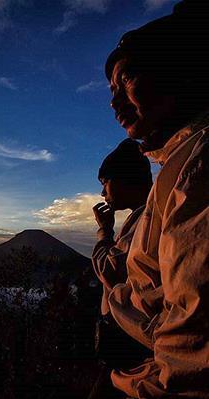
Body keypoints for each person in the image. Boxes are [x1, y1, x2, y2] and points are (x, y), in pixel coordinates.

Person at [102, 0, 209, 397]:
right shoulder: (176, 166)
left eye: (127, 78)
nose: (114, 102)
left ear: (175, 70)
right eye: (111, 90)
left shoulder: (197, 168)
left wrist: (134, 381)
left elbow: (193, 341)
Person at [88, 139, 154, 398]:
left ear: (124, 179)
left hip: (131, 350)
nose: (103, 193)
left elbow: (109, 269)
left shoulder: (143, 218)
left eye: (105, 183)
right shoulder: (142, 216)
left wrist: (104, 232)